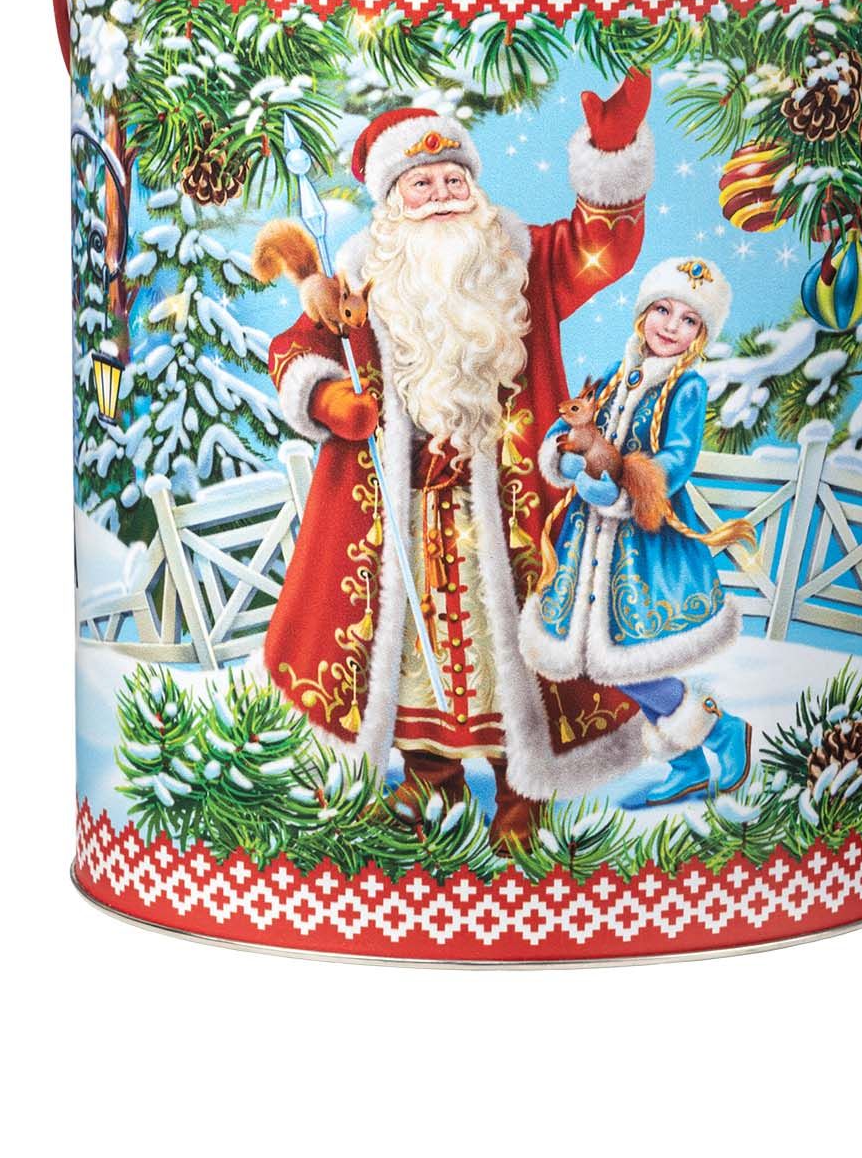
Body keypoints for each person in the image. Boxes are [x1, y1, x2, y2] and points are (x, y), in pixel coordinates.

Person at [263, 75, 657, 848]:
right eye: (422, 183)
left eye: (453, 180)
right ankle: (430, 776)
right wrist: (330, 398)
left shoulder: (522, 261)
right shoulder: (358, 284)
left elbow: (600, 250)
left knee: (512, 643)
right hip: (403, 516)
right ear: (391, 201)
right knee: (411, 646)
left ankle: (521, 788)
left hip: (509, 511)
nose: (442, 195)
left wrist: (611, 160)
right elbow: (295, 350)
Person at [520, 257, 753, 807]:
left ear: (700, 334)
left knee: (629, 658)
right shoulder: (615, 372)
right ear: (643, 313)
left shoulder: (686, 386)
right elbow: (568, 425)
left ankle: (720, 729)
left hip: (642, 545)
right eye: (663, 311)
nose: (671, 326)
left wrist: (625, 491)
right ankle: (688, 763)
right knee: (599, 659)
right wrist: (563, 456)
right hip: (588, 546)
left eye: (688, 320)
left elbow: (679, 456)